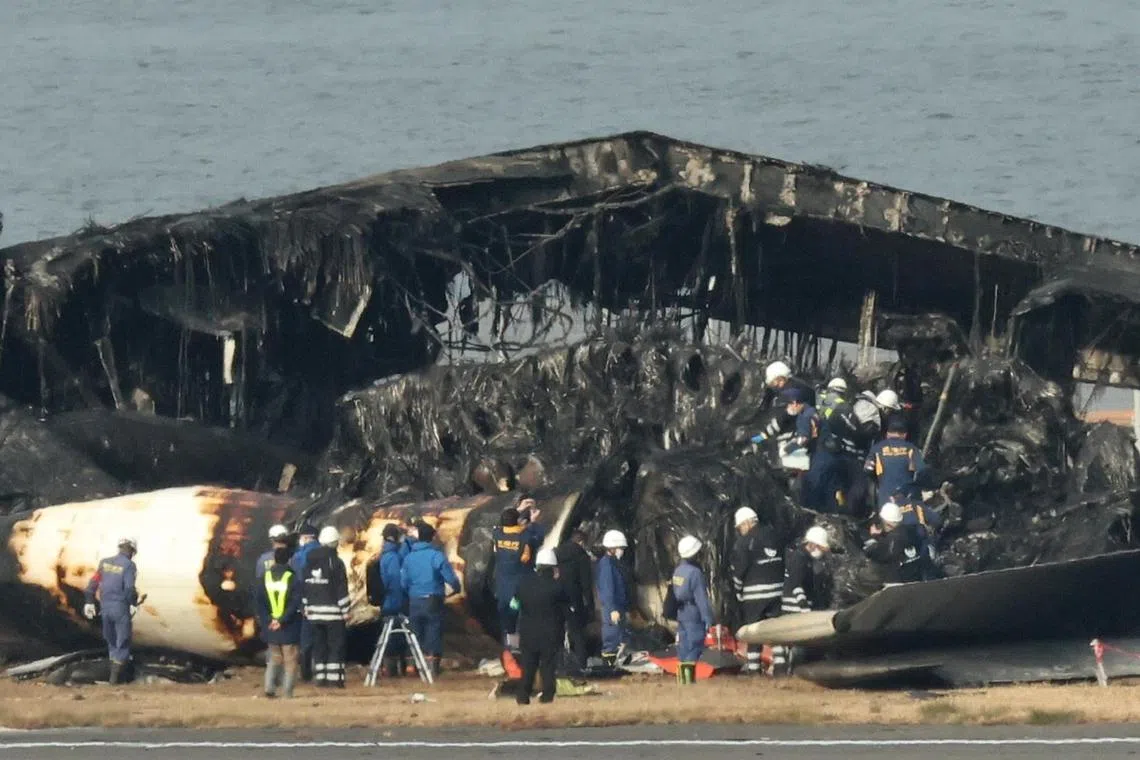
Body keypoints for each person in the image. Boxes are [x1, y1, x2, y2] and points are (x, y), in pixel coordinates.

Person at [400, 521, 462, 679]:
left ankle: (411, 667)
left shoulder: (409, 558)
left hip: (414, 599)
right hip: (433, 598)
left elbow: (404, 582)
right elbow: (450, 577)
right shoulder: (436, 556)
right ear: (432, 538)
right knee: (433, 631)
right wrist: (456, 588)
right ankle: (432, 668)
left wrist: (412, 592)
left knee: (414, 632)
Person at [730, 507, 784, 674]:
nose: (740, 531)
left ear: (747, 523)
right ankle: (781, 667)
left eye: (740, 527)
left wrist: (737, 590)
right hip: (777, 592)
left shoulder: (744, 542)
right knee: (777, 630)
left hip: (754, 595)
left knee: (754, 632)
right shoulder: (775, 535)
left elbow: (739, 570)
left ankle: (754, 669)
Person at [514, 548, 570, 705]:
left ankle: (522, 696)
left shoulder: (524, 584)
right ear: (553, 567)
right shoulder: (558, 587)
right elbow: (566, 609)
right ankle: (547, 695)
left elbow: (514, 605)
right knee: (548, 666)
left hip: (527, 632)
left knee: (528, 666)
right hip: (550, 633)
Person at [84, 537, 139, 685]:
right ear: (132, 551)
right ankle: (115, 681)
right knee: (123, 642)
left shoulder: (104, 562)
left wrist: (89, 601)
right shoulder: (129, 566)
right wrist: (133, 603)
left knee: (112, 641)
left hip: (105, 608)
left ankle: (113, 678)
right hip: (120, 607)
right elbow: (128, 588)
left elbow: (93, 582)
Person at [301, 526, 350, 688]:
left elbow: (305, 585)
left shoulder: (309, 561)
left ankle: (320, 678)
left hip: (314, 613)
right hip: (333, 614)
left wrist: (306, 606)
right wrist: (345, 610)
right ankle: (335, 680)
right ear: (335, 543)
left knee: (319, 646)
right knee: (335, 646)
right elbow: (341, 588)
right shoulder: (336, 562)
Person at [255, 545, 303, 698]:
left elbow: (259, 602)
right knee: (290, 659)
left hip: (270, 626)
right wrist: (282, 620)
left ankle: (269, 687)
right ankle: (287, 693)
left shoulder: (265, 577)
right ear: (289, 560)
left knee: (274, 658)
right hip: (288, 626)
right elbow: (295, 603)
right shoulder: (293, 578)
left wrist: (270, 620)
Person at [672, 535, 714, 686]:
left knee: (683, 646)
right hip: (693, 612)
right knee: (695, 644)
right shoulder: (695, 573)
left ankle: (682, 681)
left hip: (681, 612)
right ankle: (690, 681)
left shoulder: (678, 571)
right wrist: (708, 618)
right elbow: (701, 598)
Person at [491, 507, 534, 652]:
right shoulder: (525, 537)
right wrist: (532, 522)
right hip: (519, 586)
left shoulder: (497, 535)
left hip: (502, 585)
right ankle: (521, 647)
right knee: (519, 614)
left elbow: (499, 528)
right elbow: (526, 558)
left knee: (505, 617)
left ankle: (508, 647)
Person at [555, 528, 595, 672]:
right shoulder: (581, 556)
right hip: (574, 599)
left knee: (557, 631)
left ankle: (558, 664)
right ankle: (581, 663)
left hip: (556, 597)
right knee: (577, 632)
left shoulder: (556, 553)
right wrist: (590, 605)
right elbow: (586, 583)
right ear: (581, 542)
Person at [864, 415, 927, 506]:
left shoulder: (877, 448)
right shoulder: (911, 448)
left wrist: (879, 480)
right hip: (908, 496)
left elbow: (868, 469)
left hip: (885, 496)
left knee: (889, 519)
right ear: (905, 435)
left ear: (887, 433)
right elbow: (922, 471)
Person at [373, 523, 409, 677]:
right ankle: (393, 670)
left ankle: (390, 667)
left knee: (389, 637)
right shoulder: (393, 557)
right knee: (395, 638)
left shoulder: (385, 555)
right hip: (394, 603)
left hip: (387, 602)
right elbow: (394, 581)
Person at [863, 503, 924, 587]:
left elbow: (870, 552)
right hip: (918, 581)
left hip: (897, 588)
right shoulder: (913, 532)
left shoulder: (891, 541)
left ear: (886, 523)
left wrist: (874, 536)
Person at [289, 523, 319, 682]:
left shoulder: (300, 556)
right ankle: (323, 671)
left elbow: (298, 580)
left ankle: (306, 673)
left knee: (306, 640)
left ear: (306, 537)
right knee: (322, 637)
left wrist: (300, 604)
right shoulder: (326, 552)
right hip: (324, 600)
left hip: (307, 602)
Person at [596, 529, 630, 667]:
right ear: (612, 548)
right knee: (612, 636)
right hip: (612, 607)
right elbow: (608, 589)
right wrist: (612, 609)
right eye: (620, 548)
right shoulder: (607, 565)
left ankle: (616, 664)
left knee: (619, 635)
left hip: (617, 606)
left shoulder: (613, 563)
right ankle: (609, 666)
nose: (622, 551)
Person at [782, 526, 831, 615]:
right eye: (820, 548)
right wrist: (804, 607)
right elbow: (796, 584)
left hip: (801, 606)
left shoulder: (807, 559)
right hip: (795, 608)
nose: (822, 552)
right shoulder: (799, 558)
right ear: (813, 544)